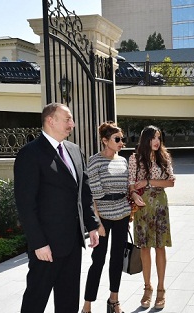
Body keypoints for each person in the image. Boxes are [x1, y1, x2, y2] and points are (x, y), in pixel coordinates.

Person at [14, 103, 100, 313]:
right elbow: (25, 204)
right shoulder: (30, 154)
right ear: (50, 121)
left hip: (73, 243)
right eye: (68, 119)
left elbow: (84, 192)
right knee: (36, 300)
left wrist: (92, 225)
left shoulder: (74, 150)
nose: (73, 124)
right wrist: (39, 243)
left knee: (68, 301)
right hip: (47, 247)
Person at [81, 122, 132, 313]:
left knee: (117, 258)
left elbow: (126, 188)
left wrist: (131, 203)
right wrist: (97, 223)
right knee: (98, 260)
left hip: (122, 215)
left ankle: (114, 300)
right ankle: (87, 304)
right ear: (105, 141)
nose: (121, 143)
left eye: (122, 139)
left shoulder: (123, 161)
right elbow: (92, 196)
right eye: (117, 139)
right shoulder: (94, 161)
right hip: (102, 216)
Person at [128, 125, 175, 310]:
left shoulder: (164, 157)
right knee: (145, 248)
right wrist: (133, 195)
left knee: (160, 247)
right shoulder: (135, 158)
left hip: (160, 206)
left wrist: (148, 181)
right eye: (153, 138)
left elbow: (171, 182)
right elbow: (131, 183)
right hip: (142, 206)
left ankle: (161, 290)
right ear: (145, 140)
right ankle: (147, 288)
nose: (156, 141)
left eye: (159, 138)